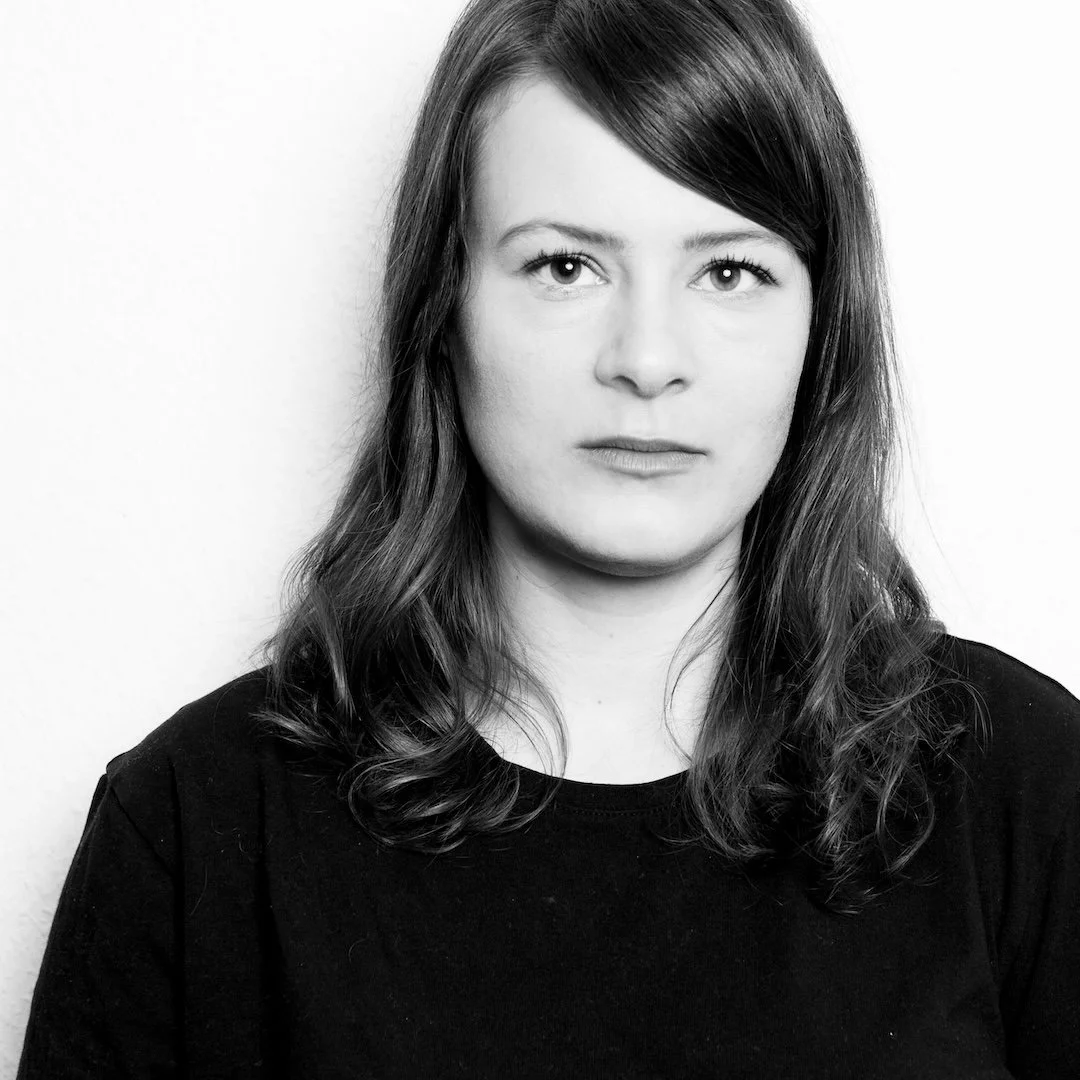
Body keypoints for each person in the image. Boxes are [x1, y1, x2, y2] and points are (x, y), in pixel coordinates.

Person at [17, 0, 1080, 1075]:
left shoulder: (1033, 793)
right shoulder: (190, 831)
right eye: (566, 266)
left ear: (821, 326)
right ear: (443, 306)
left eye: (729, 271)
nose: (648, 359)